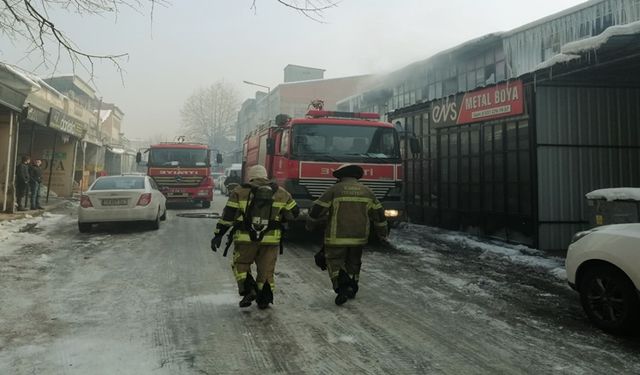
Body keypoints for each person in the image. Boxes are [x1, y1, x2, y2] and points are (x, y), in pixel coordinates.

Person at [211, 165, 299, 309]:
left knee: (241, 264)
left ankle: (248, 289)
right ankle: (264, 299)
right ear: (266, 176)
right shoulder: (282, 192)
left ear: (250, 177)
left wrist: (218, 235)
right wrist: (279, 218)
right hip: (271, 240)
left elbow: (228, 216)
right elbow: (294, 213)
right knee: (266, 270)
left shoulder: (239, 191)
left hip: (245, 239)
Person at [306, 164, 388, 305]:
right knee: (354, 263)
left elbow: (317, 211)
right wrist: (382, 234)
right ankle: (352, 287)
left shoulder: (334, 190)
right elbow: (379, 215)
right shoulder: (367, 192)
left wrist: (310, 225)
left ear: (340, 176)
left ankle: (342, 287)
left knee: (335, 262)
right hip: (359, 238)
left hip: (336, 237)